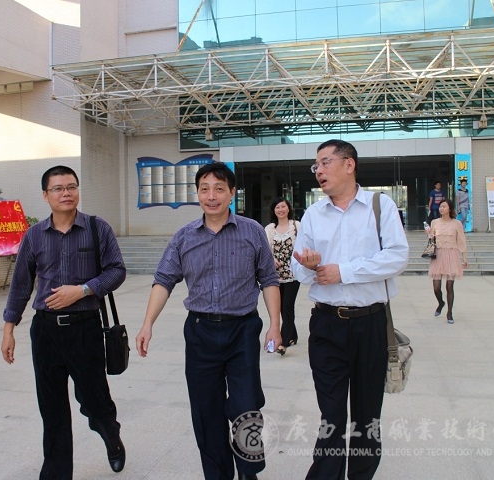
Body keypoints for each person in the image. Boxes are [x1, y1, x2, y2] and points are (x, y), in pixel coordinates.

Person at [135, 162, 281, 480]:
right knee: (206, 411)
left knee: (245, 405)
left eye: (219, 189)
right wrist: (147, 324)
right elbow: (163, 280)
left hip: (242, 329)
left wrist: (275, 325)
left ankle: (248, 470)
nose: (211, 196)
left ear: (231, 193)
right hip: (201, 332)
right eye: (204, 189)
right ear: (197, 194)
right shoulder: (184, 237)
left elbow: (269, 279)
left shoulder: (252, 231)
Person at [291, 139, 409, 480]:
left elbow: (397, 256)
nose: (319, 170)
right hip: (326, 325)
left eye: (325, 162)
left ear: (349, 164)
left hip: (370, 324)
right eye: (316, 165)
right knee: (331, 414)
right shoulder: (313, 215)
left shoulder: (380, 206)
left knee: (366, 415)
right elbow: (297, 269)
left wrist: (344, 271)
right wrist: (309, 266)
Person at [0, 165, 127, 479]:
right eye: (57, 188)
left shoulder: (97, 228)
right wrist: (8, 329)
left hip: (85, 328)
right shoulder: (34, 235)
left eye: (71, 186)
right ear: (46, 195)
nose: (66, 193)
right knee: (52, 407)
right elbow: (20, 284)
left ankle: (110, 432)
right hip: (45, 330)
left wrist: (82, 290)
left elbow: (117, 270)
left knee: (94, 400)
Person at [264, 197, 301, 355]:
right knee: (279, 308)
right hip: (275, 275)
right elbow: (265, 249)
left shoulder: (296, 226)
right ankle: (292, 335)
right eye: (277, 207)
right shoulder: (269, 228)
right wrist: (271, 260)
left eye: (283, 206)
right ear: (274, 210)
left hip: (293, 274)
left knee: (287, 306)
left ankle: (283, 342)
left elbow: (303, 245)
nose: (280, 210)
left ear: (288, 209)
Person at [426, 198, 468, 324]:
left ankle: (449, 313)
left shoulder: (457, 224)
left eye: (444, 206)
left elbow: (461, 240)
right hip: (438, 255)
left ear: (450, 208)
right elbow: (432, 239)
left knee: (449, 286)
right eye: (440, 206)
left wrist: (464, 257)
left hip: (451, 255)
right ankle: (441, 303)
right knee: (436, 287)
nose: (441, 209)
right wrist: (428, 233)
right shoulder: (435, 222)